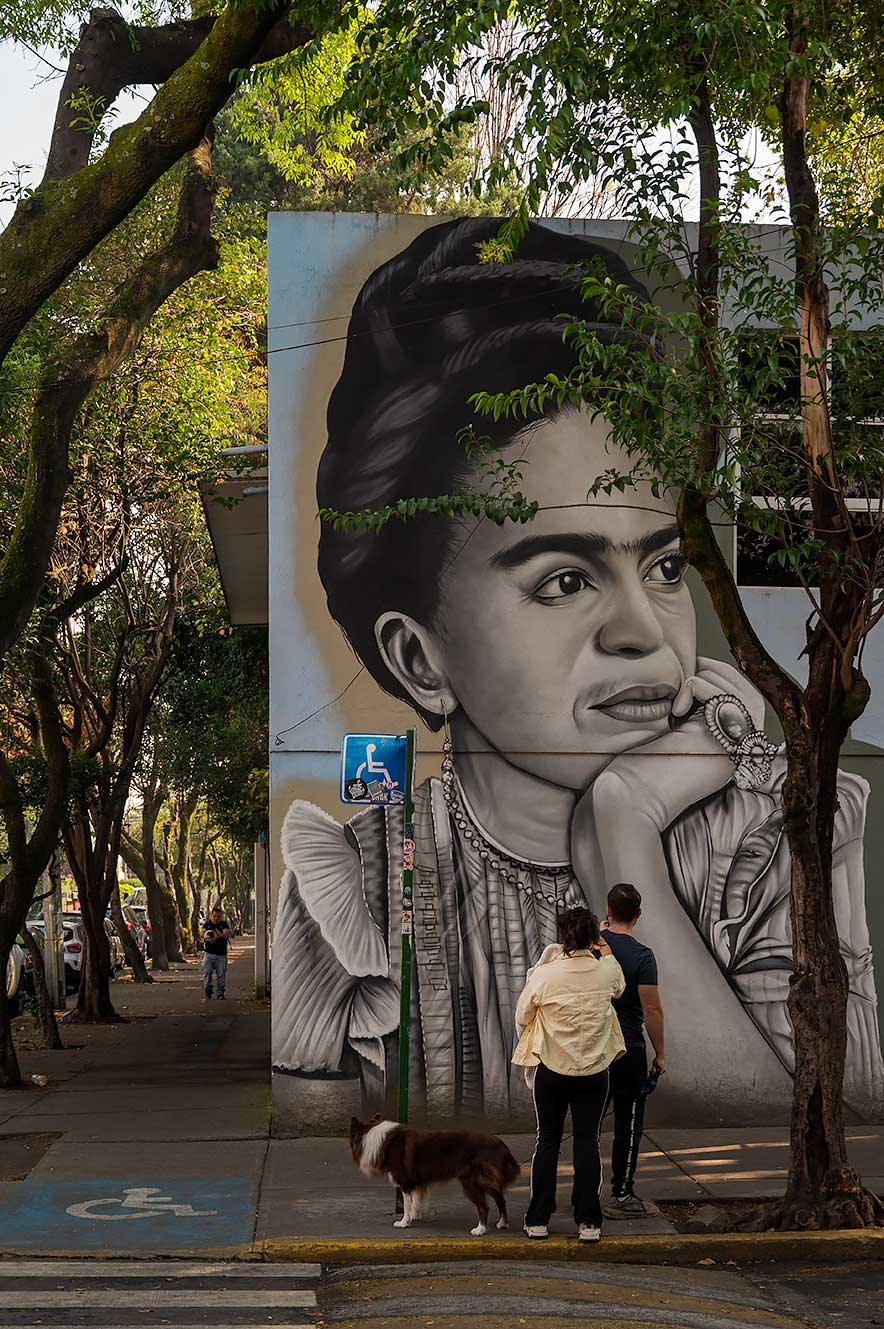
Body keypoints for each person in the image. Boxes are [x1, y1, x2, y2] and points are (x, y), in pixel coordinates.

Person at [272, 215, 883, 1125]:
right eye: (564, 578)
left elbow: (799, 1127)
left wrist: (627, 833)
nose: (644, 631)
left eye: (666, 566)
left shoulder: (777, 834)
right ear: (419, 656)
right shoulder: (352, 891)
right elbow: (322, 1130)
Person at [512, 907, 625, 1242]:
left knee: (547, 1141)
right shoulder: (607, 971)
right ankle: (589, 1221)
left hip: (551, 1068)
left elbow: (522, 1014)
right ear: (593, 937)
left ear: (563, 937)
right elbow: (619, 987)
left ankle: (538, 1219)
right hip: (594, 1071)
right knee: (587, 1141)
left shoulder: (545, 976)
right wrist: (603, 947)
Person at [599, 882, 663, 1218]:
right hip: (628, 1049)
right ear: (637, 916)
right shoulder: (642, 956)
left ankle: (584, 1193)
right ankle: (621, 1194)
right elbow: (651, 1009)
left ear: (607, 911)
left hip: (591, 1048)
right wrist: (660, 1054)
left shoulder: (591, 946)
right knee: (629, 1122)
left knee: (587, 1123)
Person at [202, 906, 231, 1001]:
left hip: (221, 955)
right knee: (207, 972)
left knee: (221, 974)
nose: (216, 918)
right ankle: (208, 990)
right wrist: (207, 936)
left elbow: (227, 934)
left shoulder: (224, 924)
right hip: (209, 954)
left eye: (218, 916)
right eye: (214, 916)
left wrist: (219, 935)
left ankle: (220, 993)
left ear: (221, 916)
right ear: (211, 915)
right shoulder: (207, 924)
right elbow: (203, 933)